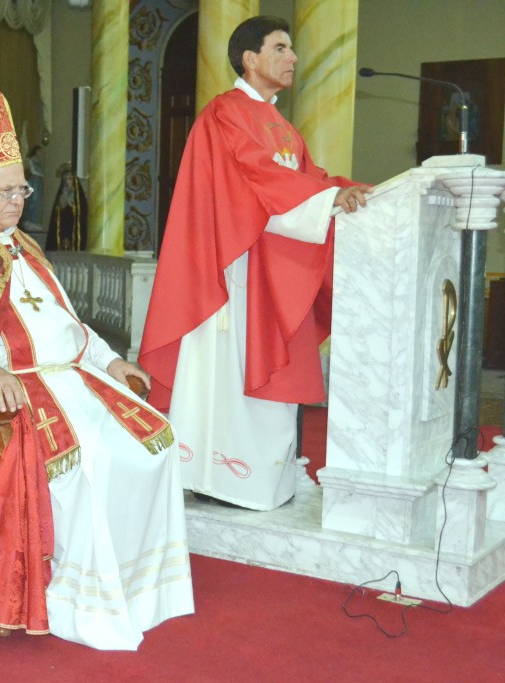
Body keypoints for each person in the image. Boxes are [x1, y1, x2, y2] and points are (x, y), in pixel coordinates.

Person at [0, 84, 193, 650]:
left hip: (74, 378)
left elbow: (69, 323)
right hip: (18, 391)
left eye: (22, 188)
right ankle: (80, 602)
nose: (21, 200)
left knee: (155, 443)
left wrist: (110, 360)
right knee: (95, 460)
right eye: (8, 191)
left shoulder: (24, 245)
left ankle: (143, 590)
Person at [138, 16, 369, 511]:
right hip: (231, 268)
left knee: (268, 369)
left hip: (267, 266)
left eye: (291, 49)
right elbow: (258, 176)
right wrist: (329, 198)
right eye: (281, 48)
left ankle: (266, 478)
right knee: (229, 372)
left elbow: (307, 176)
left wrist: (349, 192)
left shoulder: (280, 124)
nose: (292, 58)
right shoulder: (227, 113)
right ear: (250, 58)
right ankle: (219, 476)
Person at [44, 163, 88, 251]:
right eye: (65, 180)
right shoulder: (61, 195)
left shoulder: (79, 196)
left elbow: (82, 212)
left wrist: (74, 208)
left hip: (74, 226)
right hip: (63, 225)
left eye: (70, 179)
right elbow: (56, 214)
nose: (67, 182)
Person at [20, 144, 44, 231]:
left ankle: (35, 220)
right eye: (39, 151)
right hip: (34, 182)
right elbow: (33, 171)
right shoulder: (30, 160)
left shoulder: (39, 161)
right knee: (33, 200)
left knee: (38, 202)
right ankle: (29, 220)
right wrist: (42, 175)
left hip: (38, 182)